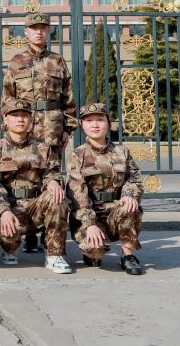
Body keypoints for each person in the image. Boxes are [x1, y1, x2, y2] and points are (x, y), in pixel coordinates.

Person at [1, 11, 76, 252]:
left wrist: (68, 128)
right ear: (26, 32)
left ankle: (48, 233)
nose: (39, 32)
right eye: (34, 28)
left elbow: (68, 97)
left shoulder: (58, 61)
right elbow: (7, 98)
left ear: (48, 31)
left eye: (43, 28)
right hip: (24, 128)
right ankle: (29, 231)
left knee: (51, 178)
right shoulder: (16, 62)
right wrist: (8, 129)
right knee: (25, 175)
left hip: (52, 128)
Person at [0, 100, 71, 273]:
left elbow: (52, 172)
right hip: (11, 207)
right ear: (5, 119)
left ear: (31, 120)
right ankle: (9, 249)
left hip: (36, 206)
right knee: (10, 239)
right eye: (15, 115)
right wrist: (4, 211)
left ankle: (54, 255)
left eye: (24, 115)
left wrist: (53, 182)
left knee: (57, 198)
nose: (20, 119)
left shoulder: (43, 147)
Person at [67, 103, 145, 275]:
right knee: (94, 251)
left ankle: (127, 256)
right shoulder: (78, 155)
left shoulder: (122, 152)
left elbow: (134, 178)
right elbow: (77, 194)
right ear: (81, 125)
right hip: (90, 214)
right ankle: (92, 252)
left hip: (115, 211)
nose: (95, 125)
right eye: (89, 121)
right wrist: (90, 224)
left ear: (108, 123)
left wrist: (129, 194)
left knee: (131, 207)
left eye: (100, 120)